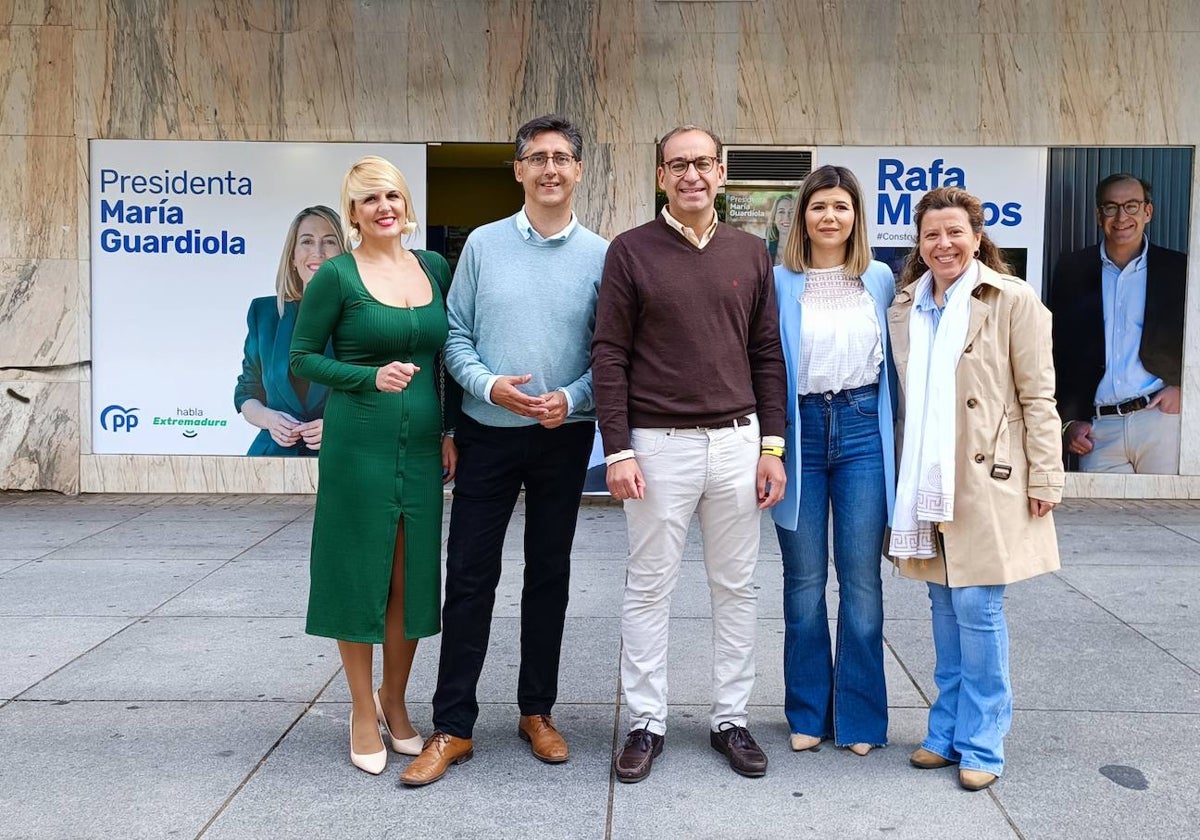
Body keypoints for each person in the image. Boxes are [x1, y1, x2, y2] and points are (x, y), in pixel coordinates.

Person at [400, 115, 608, 787]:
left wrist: (571, 399)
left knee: (548, 576)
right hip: (487, 434)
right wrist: (490, 386)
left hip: (562, 435)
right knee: (468, 578)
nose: (551, 168)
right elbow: (453, 334)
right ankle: (453, 725)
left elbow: (610, 352)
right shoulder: (484, 247)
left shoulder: (603, 256)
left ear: (579, 171)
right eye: (537, 158)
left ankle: (536, 712)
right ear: (517, 170)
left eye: (563, 158)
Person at [592, 125, 788, 783]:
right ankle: (646, 722)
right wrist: (616, 448)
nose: (692, 176)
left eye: (703, 163)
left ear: (723, 172)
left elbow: (766, 351)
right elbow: (609, 352)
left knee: (736, 587)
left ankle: (731, 719)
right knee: (650, 588)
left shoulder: (751, 251)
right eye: (678, 165)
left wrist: (772, 446)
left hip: (737, 442)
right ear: (660, 177)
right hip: (657, 445)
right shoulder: (630, 251)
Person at [887, 186, 1062, 792]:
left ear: (978, 237)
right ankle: (946, 731)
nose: (944, 244)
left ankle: (983, 741)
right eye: (931, 234)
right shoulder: (907, 304)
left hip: (989, 478)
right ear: (919, 242)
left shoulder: (1013, 300)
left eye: (955, 232)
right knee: (941, 604)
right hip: (928, 476)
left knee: (977, 608)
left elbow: (1039, 396)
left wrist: (1047, 475)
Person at [290, 156, 459, 776]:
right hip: (357, 444)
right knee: (359, 571)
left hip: (420, 449)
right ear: (354, 212)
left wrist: (446, 428)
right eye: (369, 200)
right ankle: (363, 708)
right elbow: (303, 358)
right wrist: (369, 376)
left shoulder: (434, 267)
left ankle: (396, 698)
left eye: (391, 195)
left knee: (409, 576)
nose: (383, 207)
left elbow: (444, 359)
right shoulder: (335, 276)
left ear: (404, 201)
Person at [770, 165, 897, 757]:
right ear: (803, 216)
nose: (830, 217)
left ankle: (863, 720)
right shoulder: (777, 281)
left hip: (862, 429)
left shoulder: (879, 278)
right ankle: (806, 712)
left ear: (856, 217)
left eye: (842, 207)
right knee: (803, 583)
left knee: (862, 583)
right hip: (799, 433)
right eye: (819, 206)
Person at [1051, 173, 1187, 474]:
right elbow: (1059, 351)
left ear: (1147, 212)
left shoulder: (1180, 269)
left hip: (1161, 421)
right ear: (1099, 215)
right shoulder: (1073, 270)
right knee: (1101, 518)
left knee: (1167, 517)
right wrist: (1069, 421)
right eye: (1111, 207)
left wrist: (1184, 389)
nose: (1122, 216)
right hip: (1098, 430)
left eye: (1132, 206)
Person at [234, 206, 346, 455]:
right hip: (271, 460)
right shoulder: (264, 313)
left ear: (345, 254)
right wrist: (269, 420)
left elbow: (376, 396)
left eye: (330, 241)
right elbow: (247, 391)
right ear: (293, 257)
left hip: (341, 458)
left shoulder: (361, 316)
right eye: (307, 241)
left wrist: (340, 426)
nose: (318, 252)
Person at [766, 192, 795, 265]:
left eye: (792, 212)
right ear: (774, 217)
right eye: (781, 212)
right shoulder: (763, 248)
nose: (786, 217)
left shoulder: (809, 250)